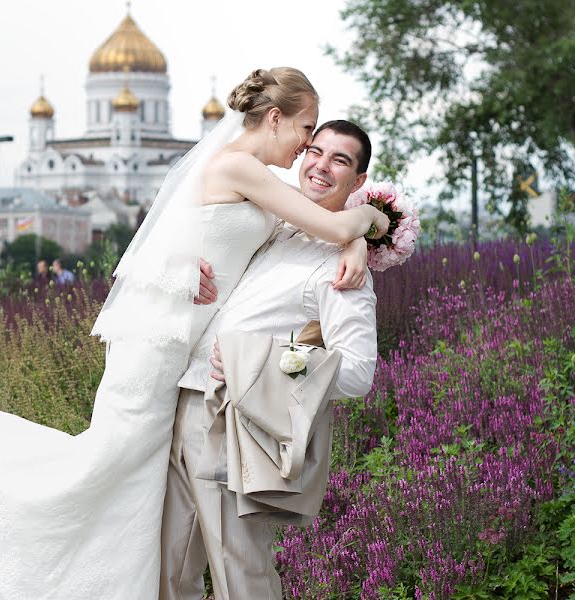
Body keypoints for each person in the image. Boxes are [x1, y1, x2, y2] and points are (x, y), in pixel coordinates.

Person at [0, 68, 388, 600]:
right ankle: (20, 544)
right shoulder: (249, 174)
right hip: (169, 363)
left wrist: (355, 241)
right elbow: (311, 224)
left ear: (354, 177)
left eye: (337, 159)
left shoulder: (288, 215)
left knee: (214, 553)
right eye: (309, 134)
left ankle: (32, 554)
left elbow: (353, 359)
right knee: (119, 486)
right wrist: (362, 224)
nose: (312, 154)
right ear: (275, 119)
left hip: (225, 403)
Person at [160, 120, 379, 600]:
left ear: (358, 181)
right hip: (185, 402)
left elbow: (358, 372)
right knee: (170, 569)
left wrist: (260, 361)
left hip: (239, 423)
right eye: (315, 151)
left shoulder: (341, 270)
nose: (321, 165)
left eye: (340, 160)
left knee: (242, 571)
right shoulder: (277, 225)